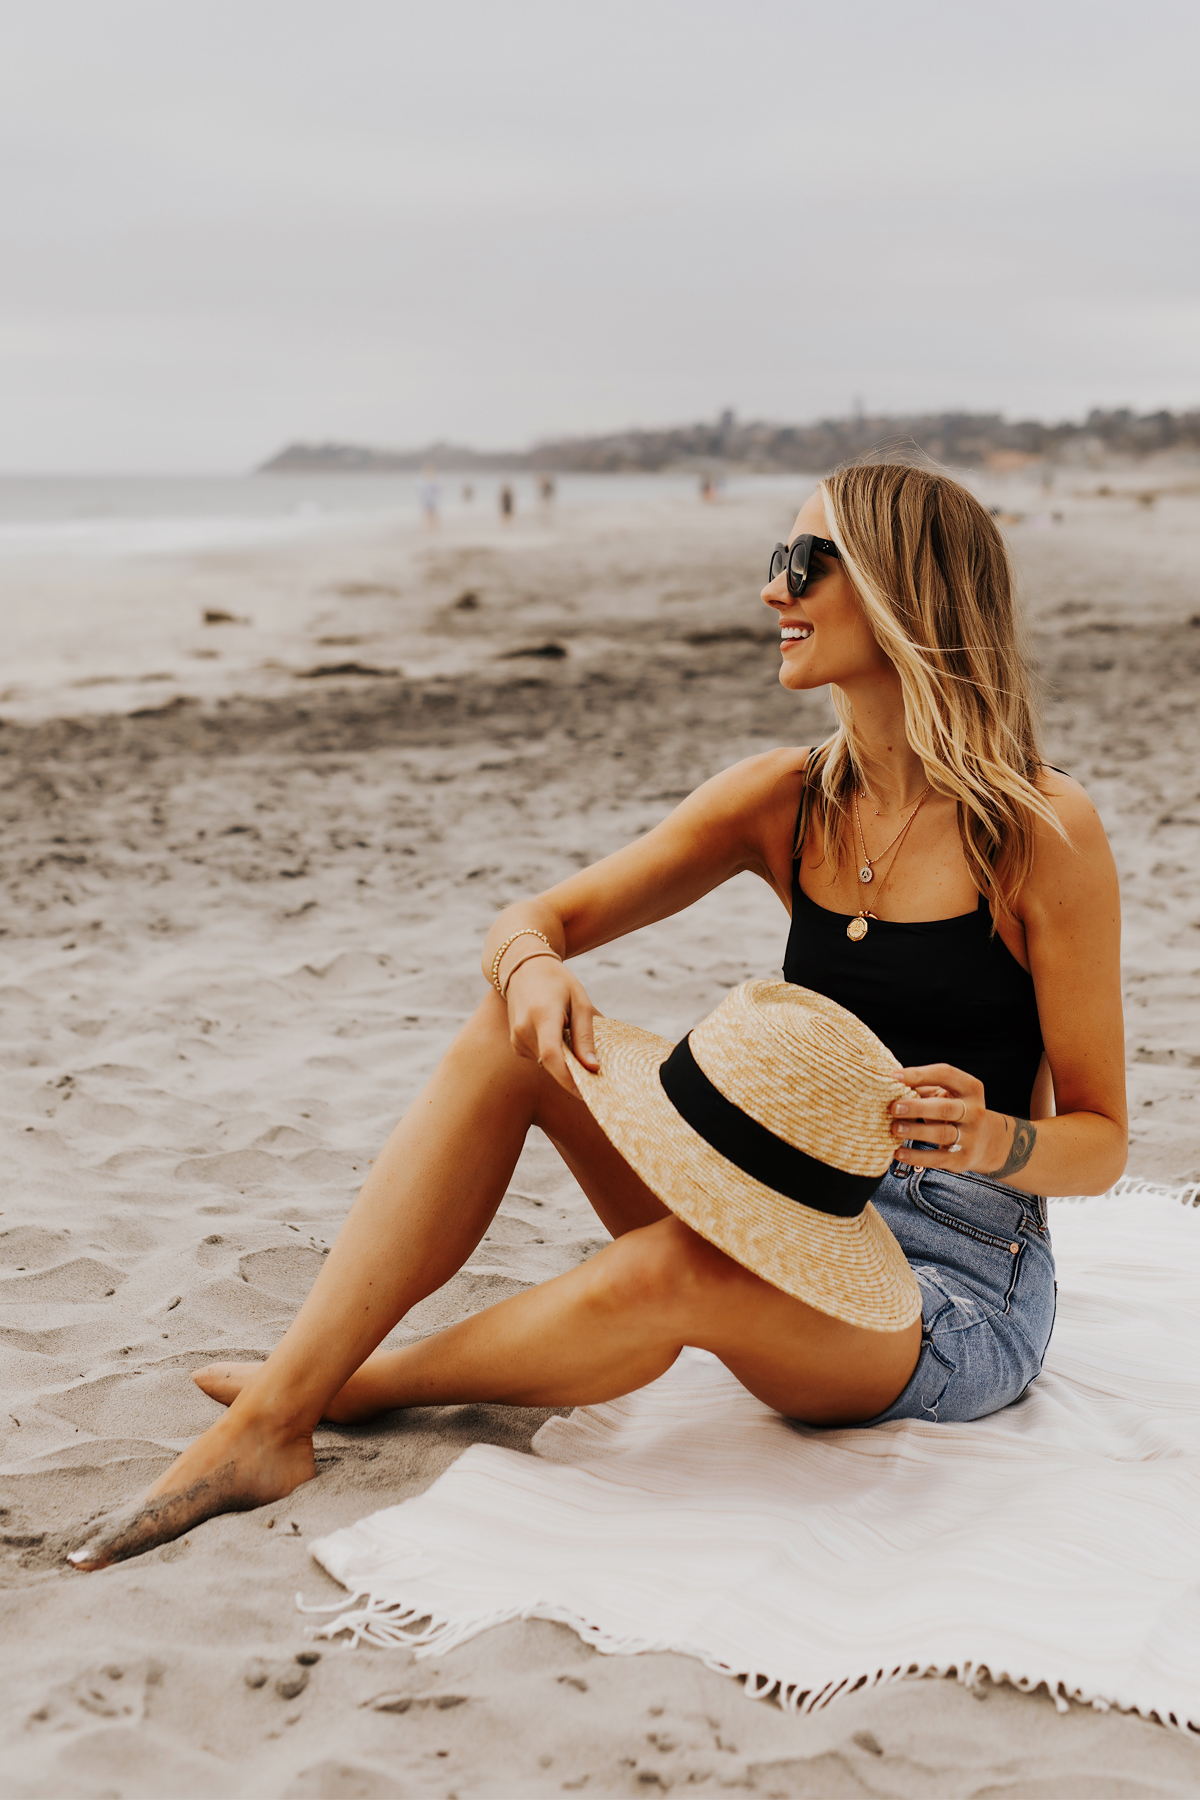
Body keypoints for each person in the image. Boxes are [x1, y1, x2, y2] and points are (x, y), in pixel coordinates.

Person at [69, 463, 1126, 1570]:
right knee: (506, 1037)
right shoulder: (785, 800)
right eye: (779, 561)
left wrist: (999, 1138)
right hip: (784, 1196)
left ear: (905, 592)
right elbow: (535, 918)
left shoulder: (1041, 832)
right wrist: (529, 970)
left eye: (806, 563)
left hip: (954, 1279)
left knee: (668, 1272)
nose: (775, 589)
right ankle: (283, 1416)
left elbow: (1101, 1142)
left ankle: (333, 1393)